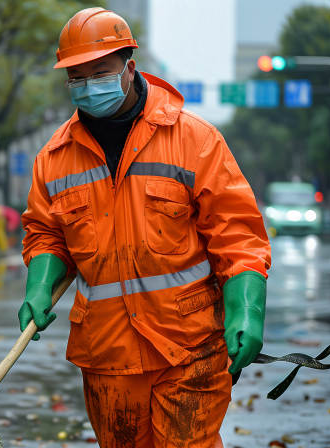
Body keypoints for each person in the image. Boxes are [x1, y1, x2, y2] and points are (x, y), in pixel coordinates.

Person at [17, 8, 271, 448]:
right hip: (107, 355)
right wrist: (39, 284)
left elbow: (237, 233)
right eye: (76, 76)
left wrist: (247, 308)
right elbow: (47, 234)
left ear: (129, 67)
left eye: (100, 72)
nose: (87, 84)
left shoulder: (195, 140)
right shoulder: (53, 159)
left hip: (189, 348)